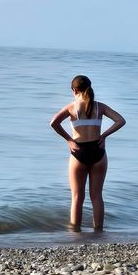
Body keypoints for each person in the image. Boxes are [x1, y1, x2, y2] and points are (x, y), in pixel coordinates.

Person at [50, 75, 126, 231]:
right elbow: (120, 120)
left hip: (79, 151)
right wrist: (104, 135)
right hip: (98, 151)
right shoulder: (100, 107)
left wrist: (69, 140)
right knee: (96, 196)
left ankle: (75, 233)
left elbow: (54, 123)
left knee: (77, 198)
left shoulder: (72, 107)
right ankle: (98, 230)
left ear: (74, 90)